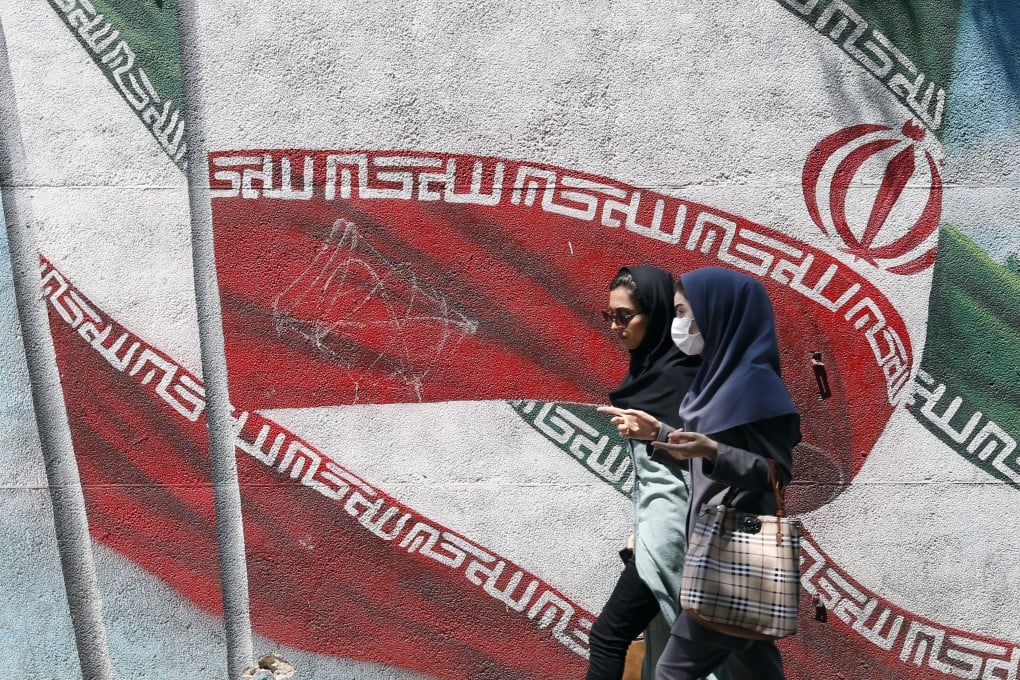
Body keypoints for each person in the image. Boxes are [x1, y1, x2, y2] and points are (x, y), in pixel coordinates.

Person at [600, 266, 800, 680]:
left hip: (734, 554)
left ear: (719, 313)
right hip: (711, 547)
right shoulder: (712, 381)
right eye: (676, 314)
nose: (679, 325)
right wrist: (660, 432)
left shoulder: (757, 388)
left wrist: (712, 450)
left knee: (671, 672)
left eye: (685, 313)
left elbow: (776, 475)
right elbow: (697, 456)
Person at [585, 265, 702, 680]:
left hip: (673, 534)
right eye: (609, 315)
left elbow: (709, 461)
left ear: (655, 314)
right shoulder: (648, 372)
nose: (615, 326)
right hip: (657, 528)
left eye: (625, 316)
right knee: (673, 649)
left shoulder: (679, 377)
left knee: (607, 637)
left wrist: (661, 433)